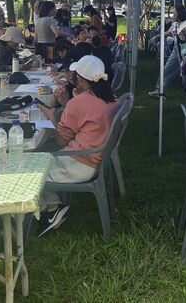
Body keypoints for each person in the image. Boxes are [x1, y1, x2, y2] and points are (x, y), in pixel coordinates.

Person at [37, 55, 119, 236]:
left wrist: (51, 117)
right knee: (41, 156)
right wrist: (68, 104)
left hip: (78, 164)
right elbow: (89, 117)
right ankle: (53, 206)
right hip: (96, 158)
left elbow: (62, 141)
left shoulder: (79, 102)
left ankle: (51, 208)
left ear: (81, 79)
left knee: (31, 170)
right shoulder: (112, 97)